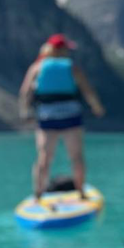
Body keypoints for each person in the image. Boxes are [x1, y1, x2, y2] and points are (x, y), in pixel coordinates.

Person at [19, 34, 105, 201]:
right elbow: (88, 91)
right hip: (71, 117)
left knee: (44, 157)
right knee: (76, 156)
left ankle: (38, 194)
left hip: (47, 117)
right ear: (63, 49)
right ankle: (80, 192)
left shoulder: (37, 67)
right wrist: (97, 107)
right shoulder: (72, 67)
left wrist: (24, 112)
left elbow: (25, 92)